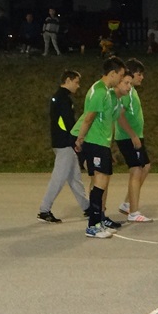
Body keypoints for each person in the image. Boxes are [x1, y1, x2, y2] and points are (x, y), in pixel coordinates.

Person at [71, 56, 127, 239]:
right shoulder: (99, 91)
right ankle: (93, 226)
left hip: (102, 143)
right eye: (121, 75)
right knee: (99, 183)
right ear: (112, 73)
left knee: (101, 183)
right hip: (94, 142)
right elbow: (89, 117)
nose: (121, 79)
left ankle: (99, 221)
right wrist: (80, 139)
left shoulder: (107, 92)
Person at [37, 70, 89, 223]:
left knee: (74, 178)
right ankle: (44, 210)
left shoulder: (59, 97)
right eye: (76, 82)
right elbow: (67, 123)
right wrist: (75, 140)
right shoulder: (63, 99)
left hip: (63, 142)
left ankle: (87, 207)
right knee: (59, 178)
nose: (78, 86)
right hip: (64, 144)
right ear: (68, 80)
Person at [114, 59, 153, 223]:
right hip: (127, 137)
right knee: (136, 170)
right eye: (139, 74)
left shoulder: (132, 91)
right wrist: (132, 135)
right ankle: (133, 211)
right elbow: (120, 115)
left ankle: (127, 203)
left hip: (134, 136)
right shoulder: (126, 92)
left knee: (146, 166)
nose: (141, 77)